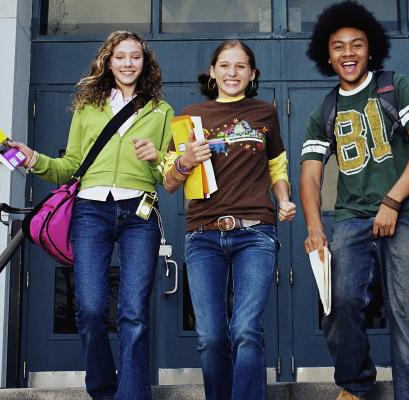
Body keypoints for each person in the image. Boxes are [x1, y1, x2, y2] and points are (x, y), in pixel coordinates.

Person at [11, 31, 173, 399]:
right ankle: (102, 390)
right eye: (121, 57)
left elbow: (170, 174)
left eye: (135, 57)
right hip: (91, 210)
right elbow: (70, 166)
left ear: (144, 63)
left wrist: (159, 158)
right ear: (108, 61)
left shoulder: (161, 111)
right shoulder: (88, 107)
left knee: (134, 312)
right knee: (89, 308)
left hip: (139, 212)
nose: (128, 63)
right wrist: (34, 159)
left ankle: (131, 394)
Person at [299, 2, 409, 399]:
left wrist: (392, 202)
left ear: (370, 49)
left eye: (356, 45)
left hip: (406, 212)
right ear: (328, 55)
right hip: (351, 216)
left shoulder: (397, 86)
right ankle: (357, 382)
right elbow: (310, 175)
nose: (348, 53)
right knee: (338, 301)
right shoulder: (325, 109)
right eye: (339, 46)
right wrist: (314, 227)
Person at [162, 39, 296, 400]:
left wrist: (283, 199)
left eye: (240, 66)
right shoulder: (189, 117)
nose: (232, 72)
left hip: (255, 233)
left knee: (246, 330)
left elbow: (276, 165)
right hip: (203, 236)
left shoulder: (265, 112)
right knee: (210, 338)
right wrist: (185, 159)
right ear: (212, 72)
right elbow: (170, 182)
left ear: (252, 74)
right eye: (225, 65)